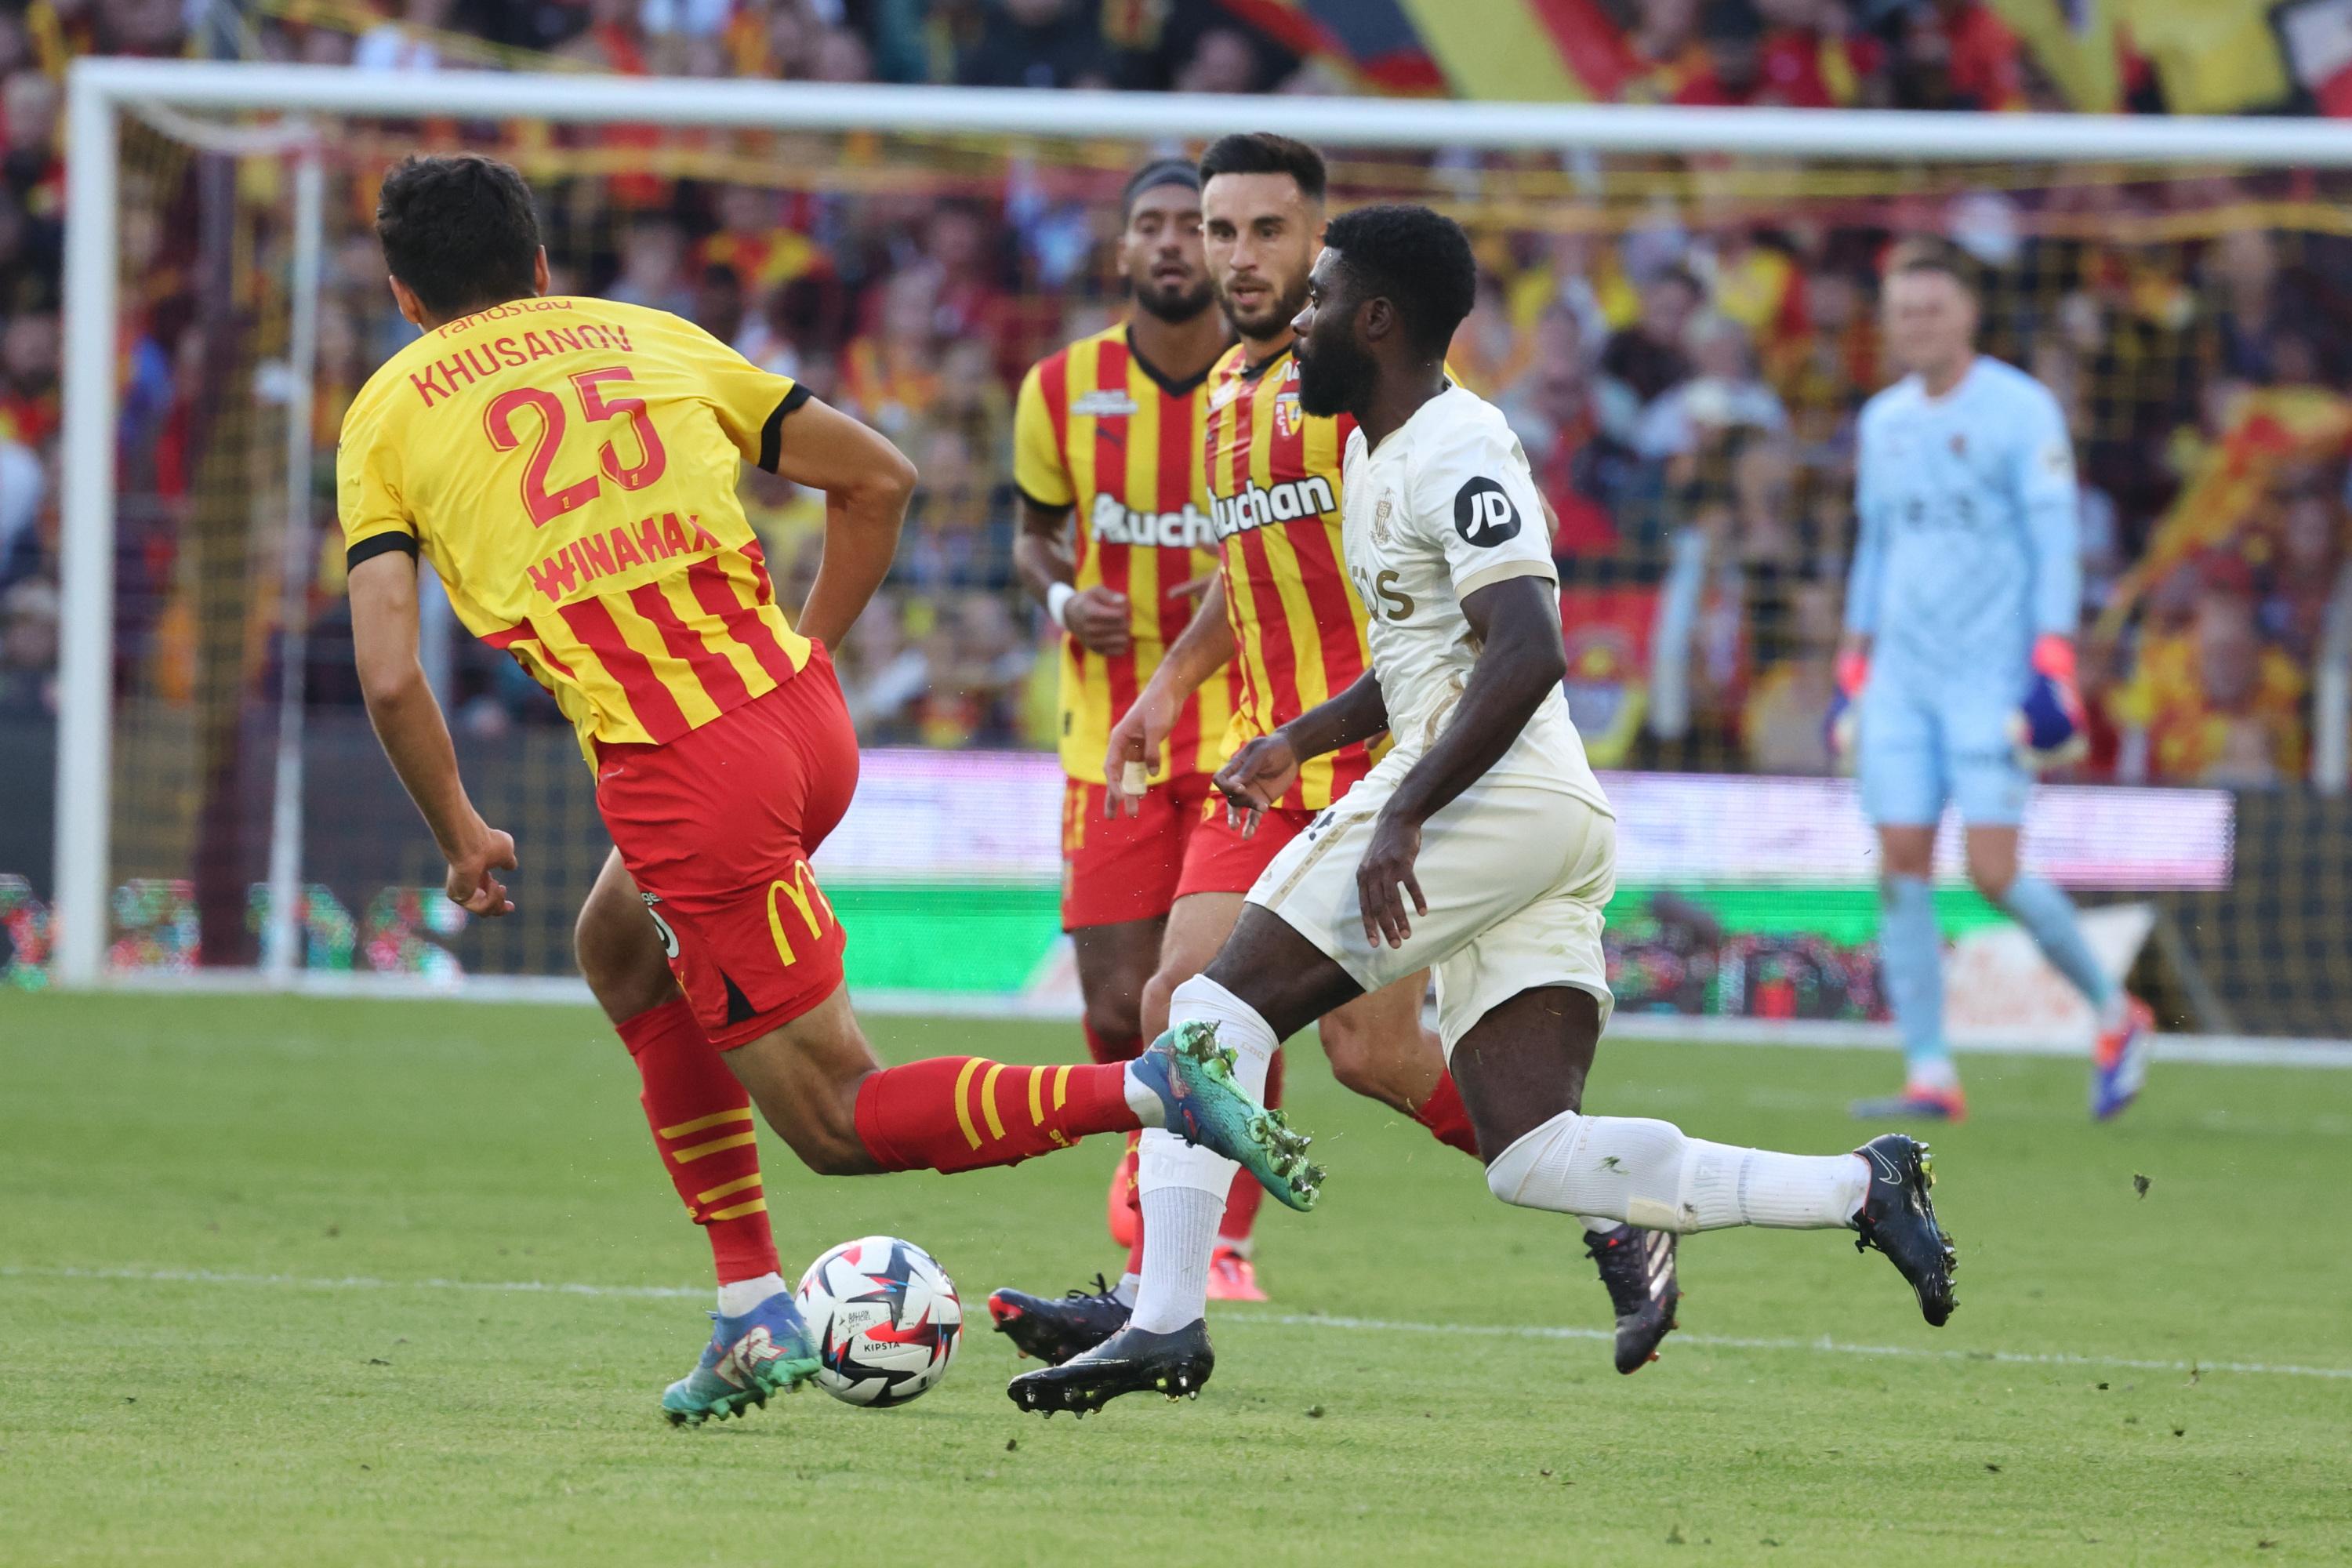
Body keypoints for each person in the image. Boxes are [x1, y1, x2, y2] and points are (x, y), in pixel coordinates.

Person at [336, 153, 1312, 1429]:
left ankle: (1154, 1090)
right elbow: (881, 479)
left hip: (688, 778)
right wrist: (803, 663)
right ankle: (751, 1307)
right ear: (537, 267)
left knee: (838, 1117)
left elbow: (394, 675)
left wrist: (461, 830)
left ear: (406, 297)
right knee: (622, 952)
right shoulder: (651, 337)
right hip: (802, 723)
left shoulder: (387, 411)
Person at [1008, 204, 1960, 1414]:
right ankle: (1860, 1188)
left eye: (1317, 304)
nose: (1297, 327)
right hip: (1544, 812)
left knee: (1204, 1010)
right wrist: (1298, 739)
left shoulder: (1461, 445)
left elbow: (1528, 647)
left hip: (1492, 796)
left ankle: (1164, 1320)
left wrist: (1403, 812)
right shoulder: (1369, 451)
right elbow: (1427, 656)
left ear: (1377, 319)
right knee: (1537, 1156)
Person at [989, 136, 1681, 1382]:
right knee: (1173, 1006)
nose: (1238, 257)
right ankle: (1162, 1304)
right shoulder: (1225, 401)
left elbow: (1456, 579)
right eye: (1220, 230)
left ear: (1322, 250)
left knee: (1369, 1054)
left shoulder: (1352, 405)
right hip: (1266, 757)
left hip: (1379, 761)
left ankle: (1604, 1198)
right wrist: (1166, 687)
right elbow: (1242, 581)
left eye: (1267, 233)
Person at [1007, 158, 1296, 1303]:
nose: (1176, 243)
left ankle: (1212, 1237)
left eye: (1195, 224)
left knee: (1219, 999)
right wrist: (1057, 598)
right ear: (1124, 253)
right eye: (1153, 227)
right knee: (1114, 1005)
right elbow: (1032, 533)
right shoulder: (1060, 388)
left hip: (1246, 741)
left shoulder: (1273, 385)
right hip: (1107, 746)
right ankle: (1157, 1174)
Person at [1830, 239, 2154, 1123]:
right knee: (1899, 861)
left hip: (1990, 678)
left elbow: (2056, 543)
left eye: (1932, 308)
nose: (1917, 324)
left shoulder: (2021, 410)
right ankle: (1931, 1069)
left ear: (1967, 313)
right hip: (1900, 676)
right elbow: (1876, 547)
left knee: (1994, 867)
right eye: (1903, 311)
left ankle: (2117, 1011)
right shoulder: (1883, 421)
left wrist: (2052, 658)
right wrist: (1851, 666)